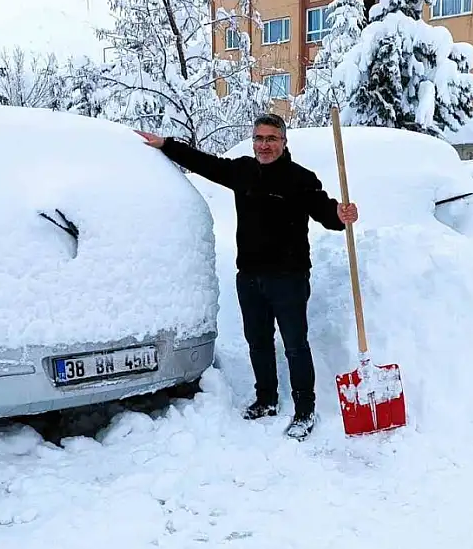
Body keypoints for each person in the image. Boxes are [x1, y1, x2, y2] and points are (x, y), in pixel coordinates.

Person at [136, 114, 358, 440]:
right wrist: (167, 145)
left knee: (295, 345)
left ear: (284, 142)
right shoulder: (243, 172)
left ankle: (304, 409)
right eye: (259, 138)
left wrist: (340, 215)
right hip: (250, 277)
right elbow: (205, 164)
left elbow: (325, 211)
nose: (264, 145)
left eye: (271, 139)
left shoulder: (301, 179)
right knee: (258, 342)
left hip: (289, 278)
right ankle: (266, 399)